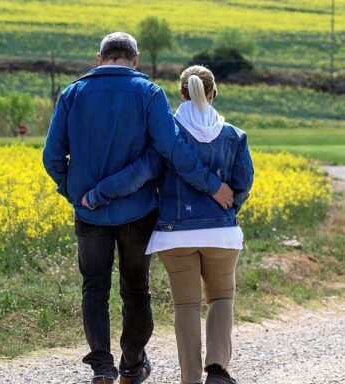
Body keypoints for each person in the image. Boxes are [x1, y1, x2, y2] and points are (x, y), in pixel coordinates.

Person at [42, 33, 235, 384]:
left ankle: (102, 366)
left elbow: (52, 157)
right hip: (138, 212)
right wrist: (211, 185)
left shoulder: (72, 94)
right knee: (136, 289)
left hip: (89, 214)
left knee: (94, 288)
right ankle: (132, 366)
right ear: (136, 59)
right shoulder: (149, 94)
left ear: (100, 58)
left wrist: (75, 193)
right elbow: (171, 150)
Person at [149, 65, 253, 384]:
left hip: (174, 234)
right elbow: (244, 182)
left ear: (181, 94)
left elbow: (151, 174)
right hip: (221, 234)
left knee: (186, 305)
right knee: (221, 297)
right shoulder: (234, 135)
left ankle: (190, 378)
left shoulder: (168, 137)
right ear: (213, 93)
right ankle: (218, 370)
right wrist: (227, 208)